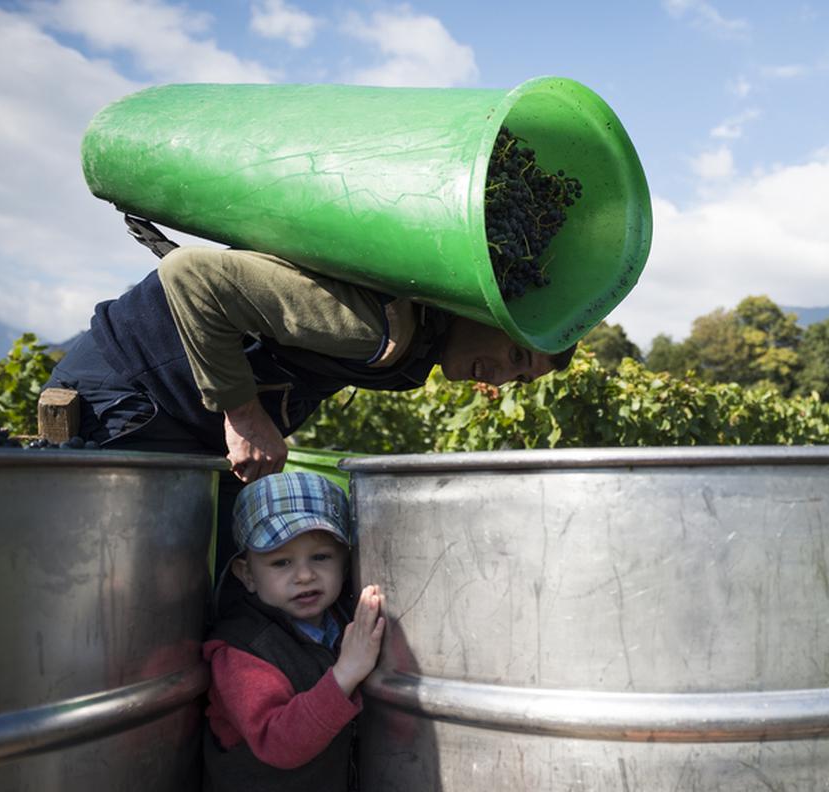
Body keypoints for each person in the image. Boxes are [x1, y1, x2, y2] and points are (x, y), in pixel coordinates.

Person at [45, 217, 575, 571]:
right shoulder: (377, 328)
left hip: (179, 420)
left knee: (232, 580)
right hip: (124, 398)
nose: (503, 380)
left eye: (522, 380)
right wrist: (245, 414)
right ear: (485, 313)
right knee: (138, 601)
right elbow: (190, 277)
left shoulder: (413, 340)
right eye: (517, 357)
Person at [203, 471, 383, 791]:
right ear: (247, 575)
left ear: (345, 564)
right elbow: (278, 742)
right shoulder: (242, 651)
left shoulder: (341, 623)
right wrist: (346, 672)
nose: (304, 575)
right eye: (281, 562)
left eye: (321, 557)